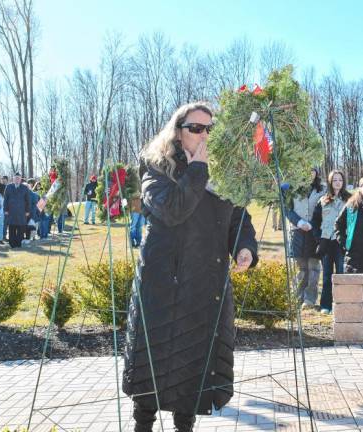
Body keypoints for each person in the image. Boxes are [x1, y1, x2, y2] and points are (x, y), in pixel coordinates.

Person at [122, 102, 258, 432]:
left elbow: (238, 217)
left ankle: (186, 426)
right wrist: (197, 170)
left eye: (209, 129)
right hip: (162, 282)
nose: (204, 135)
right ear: (178, 131)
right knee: (153, 363)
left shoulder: (223, 172)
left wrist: (244, 247)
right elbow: (171, 210)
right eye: (196, 128)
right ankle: (143, 425)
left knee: (193, 367)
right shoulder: (157, 166)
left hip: (204, 285)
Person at [311, 170, 351, 314]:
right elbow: (315, 221)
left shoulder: (350, 199)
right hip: (326, 242)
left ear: (343, 181)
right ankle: (326, 305)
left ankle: (341, 305)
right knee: (327, 275)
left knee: (341, 274)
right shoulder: (323, 200)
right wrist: (318, 238)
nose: (337, 182)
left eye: (340, 180)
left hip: (342, 243)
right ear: (330, 182)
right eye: (334, 180)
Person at [285, 167, 324, 309]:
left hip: (315, 233)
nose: (309, 173)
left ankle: (309, 299)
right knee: (301, 267)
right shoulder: (292, 189)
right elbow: (287, 209)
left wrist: (314, 224)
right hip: (298, 232)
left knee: (313, 267)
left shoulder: (323, 189)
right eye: (305, 169)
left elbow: (326, 208)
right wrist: (299, 222)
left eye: (312, 170)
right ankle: (298, 297)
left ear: (316, 172)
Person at [3, 172, 30, 248]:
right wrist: (5, 209)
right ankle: (12, 244)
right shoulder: (8, 187)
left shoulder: (25, 188)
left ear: (21, 179)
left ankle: (18, 243)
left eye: (18, 178)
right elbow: (5, 199)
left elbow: (28, 200)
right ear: (13, 179)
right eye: (16, 178)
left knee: (21, 228)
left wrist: (27, 211)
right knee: (12, 228)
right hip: (11, 211)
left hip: (21, 211)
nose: (17, 179)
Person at [0, 175, 10, 242]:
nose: (3, 180)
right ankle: (3, 236)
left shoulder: (9, 187)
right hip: (3, 207)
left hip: (10, 208)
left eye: (4, 179)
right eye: (2, 179)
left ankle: (9, 236)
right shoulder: (0, 187)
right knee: (4, 223)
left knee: (9, 223)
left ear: (7, 180)